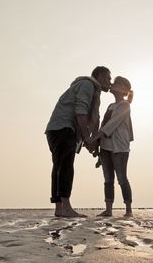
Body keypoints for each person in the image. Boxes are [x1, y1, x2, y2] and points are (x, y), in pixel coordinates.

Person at [45, 66, 111, 217]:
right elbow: (80, 111)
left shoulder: (94, 92)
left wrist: (93, 143)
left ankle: (59, 209)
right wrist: (87, 138)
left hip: (56, 129)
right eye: (108, 78)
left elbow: (95, 121)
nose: (110, 82)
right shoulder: (88, 85)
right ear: (100, 77)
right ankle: (66, 208)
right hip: (63, 128)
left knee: (59, 167)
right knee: (65, 167)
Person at [91, 76, 134, 217]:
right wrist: (97, 145)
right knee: (108, 179)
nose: (112, 84)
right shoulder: (110, 106)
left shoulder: (125, 105)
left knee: (122, 178)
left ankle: (128, 210)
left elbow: (112, 124)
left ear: (123, 89)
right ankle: (108, 209)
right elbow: (104, 124)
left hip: (119, 147)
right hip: (105, 146)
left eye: (115, 83)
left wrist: (94, 137)